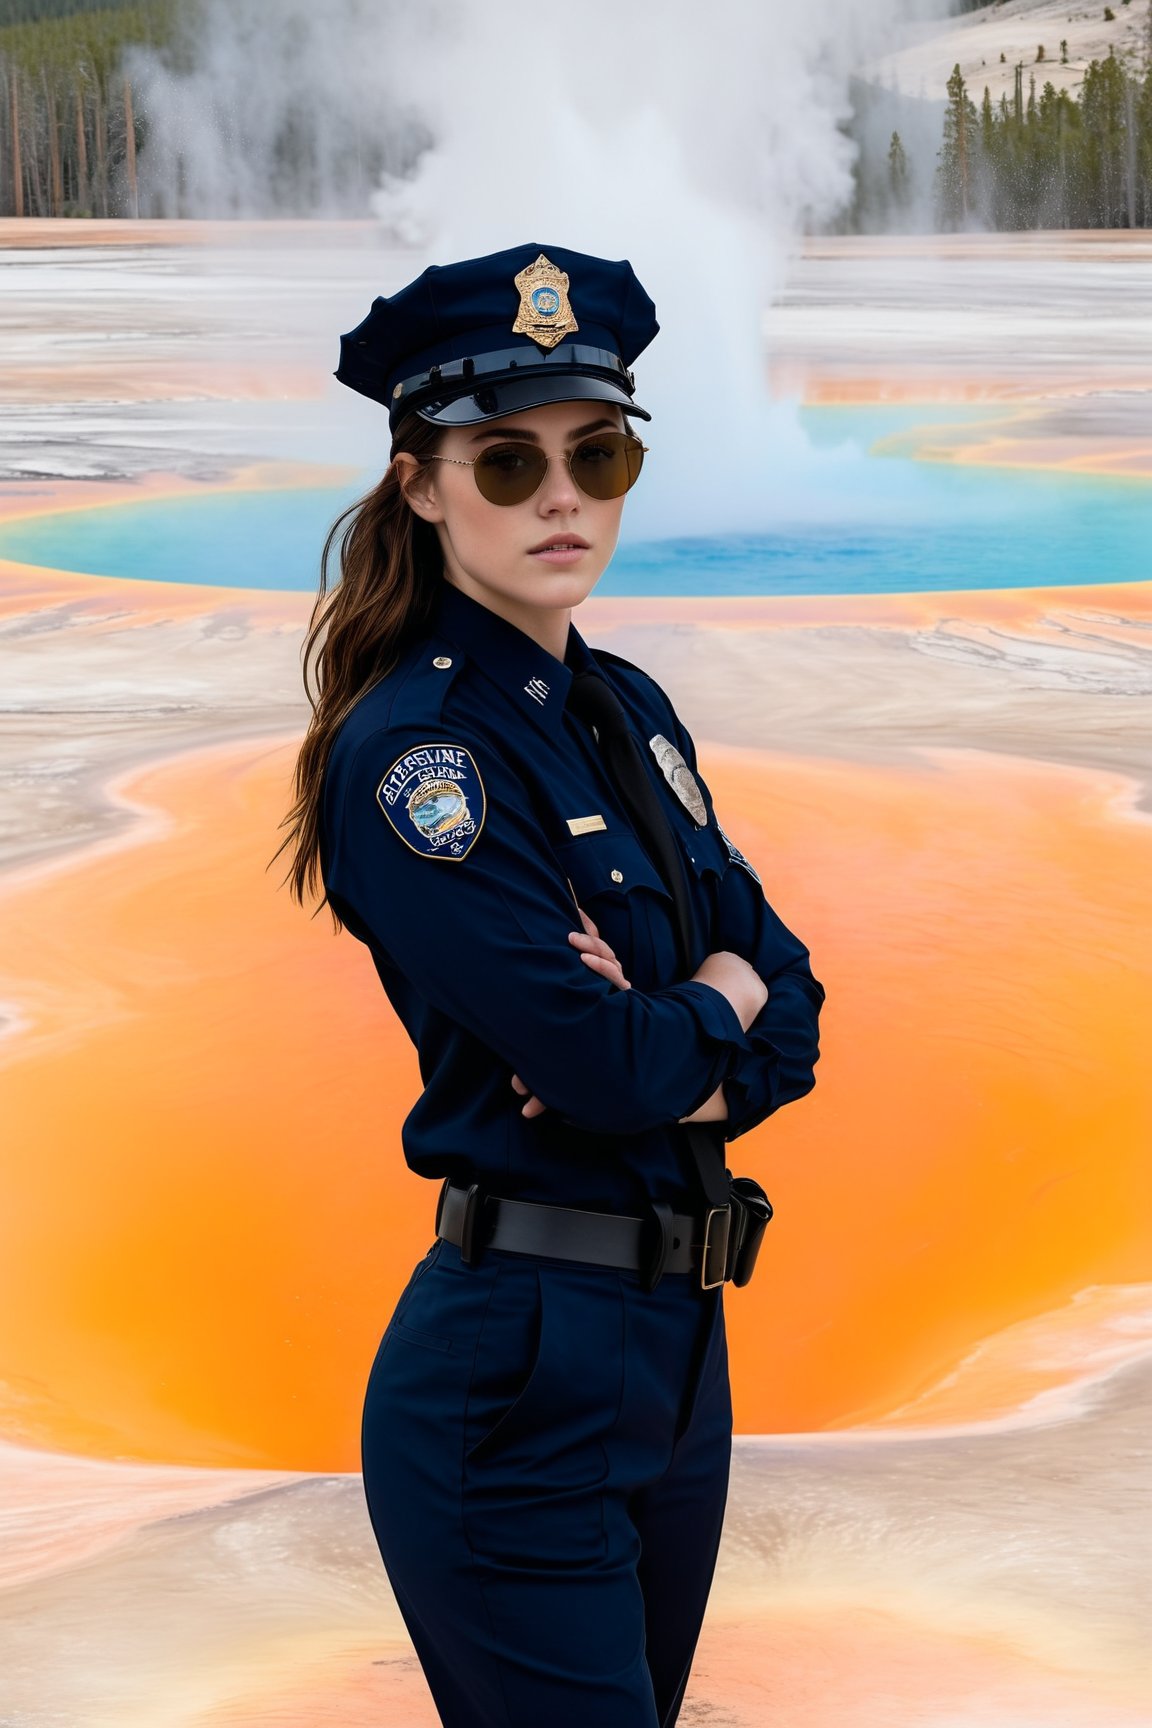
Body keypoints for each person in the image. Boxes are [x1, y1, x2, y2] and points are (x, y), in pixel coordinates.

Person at [277, 241, 825, 1728]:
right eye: (506, 464)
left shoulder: (622, 709)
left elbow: (798, 991)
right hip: (517, 1375)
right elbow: (603, 1067)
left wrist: (699, 1017)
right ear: (421, 482)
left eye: (600, 454)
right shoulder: (422, 759)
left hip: (678, 1351)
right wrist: (712, 1011)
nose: (563, 496)